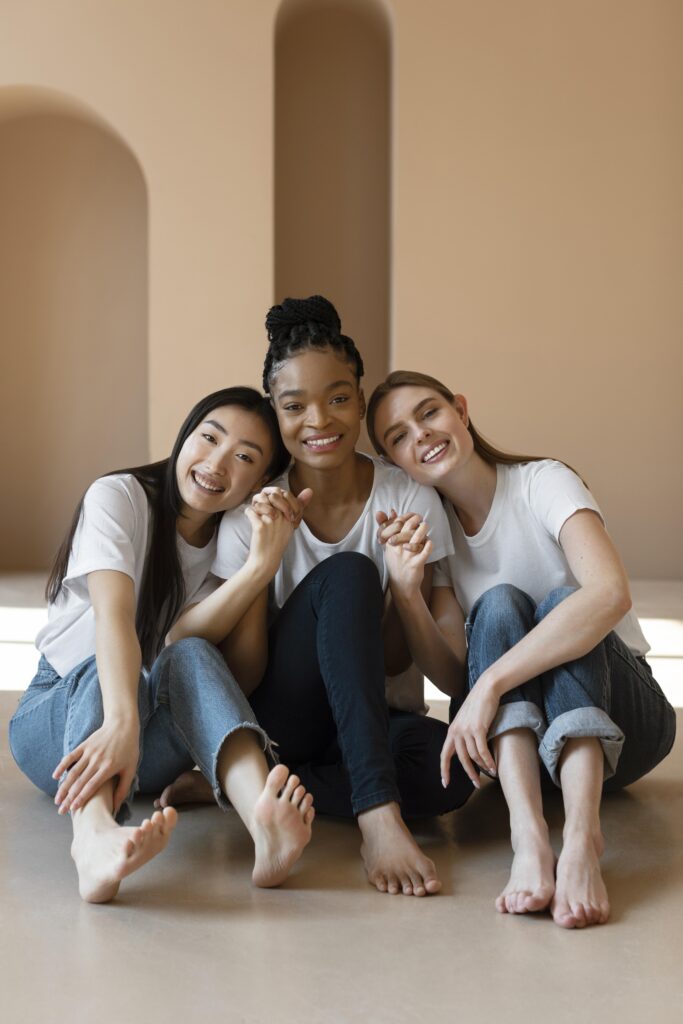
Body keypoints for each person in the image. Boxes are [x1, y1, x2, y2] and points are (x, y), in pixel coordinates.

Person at [162, 296, 473, 898]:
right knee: (351, 571)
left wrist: (405, 591)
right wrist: (265, 561)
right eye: (294, 405)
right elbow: (246, 676)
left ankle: (269, 784)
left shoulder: (408, 495)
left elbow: (399, 666)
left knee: (455, 772)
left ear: (360, 400)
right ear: (277, 416)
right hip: (289, 719)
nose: (319, 420)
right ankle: (376, 814)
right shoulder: (256, 510)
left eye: (337, 398)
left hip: (377, 719)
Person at [366, 369, 676, 928]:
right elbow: (455, 675)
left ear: (461, 410)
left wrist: (491, 683)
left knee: (564, 603)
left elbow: (608, 594)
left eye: (429, 413)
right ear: (398, 463)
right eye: (398, 436)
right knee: (501, 602)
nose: (421, 435)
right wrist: (408, 595)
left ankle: (582, 840)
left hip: (628, 729)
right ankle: (528, 839)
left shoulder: (543, 481)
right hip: (526, 749)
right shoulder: (435, 533)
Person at [9, 387, 315, 903]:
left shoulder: (237, 533)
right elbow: (115, 619)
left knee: (193, 653)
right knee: (103, 665)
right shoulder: (119, 497)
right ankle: (93, 837)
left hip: (142, 746)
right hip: (59, 719)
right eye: (209, 438)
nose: (216, 463)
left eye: (244, 456)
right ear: (185, 436)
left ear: (261, 480)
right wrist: (122, 723)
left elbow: (238, 674)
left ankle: (264, 824)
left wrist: (260, 567)